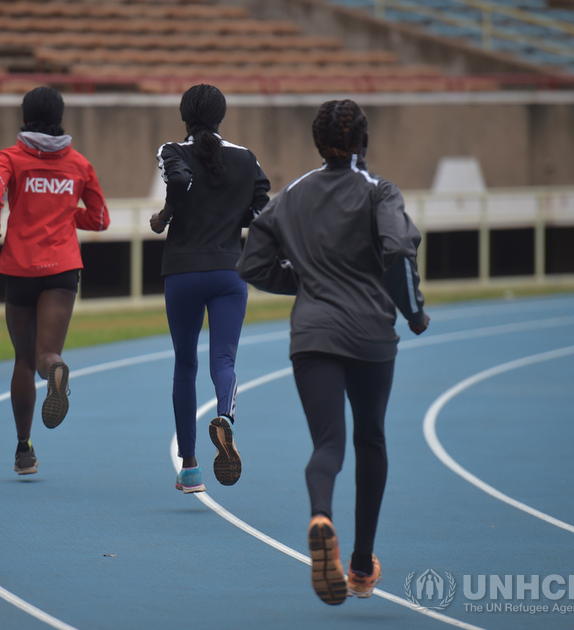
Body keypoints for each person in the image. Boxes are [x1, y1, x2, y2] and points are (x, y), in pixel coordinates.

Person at [237, 99, 429, 605]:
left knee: (328, 444)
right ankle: (362, 564)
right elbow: (398, 249)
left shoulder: (290, 195)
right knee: (372, 439)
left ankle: (321, 515)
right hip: (370, 335)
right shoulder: (379, 190)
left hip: (313, 335)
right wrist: (414, 312)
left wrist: (303, 281)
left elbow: (252, 265)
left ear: (317, 143)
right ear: (364, 141)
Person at [0, 86, 110, 476]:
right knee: (45, 355)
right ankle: (54, 366)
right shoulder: (79, 164)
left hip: (20, 268)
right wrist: (68, 214)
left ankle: (24, 450)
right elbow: (101, 219)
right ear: (60, 118)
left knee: (22, 359)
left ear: (25, 116)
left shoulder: (9, 158)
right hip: (63, 269)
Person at [150, 84, 271, 495]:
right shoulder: (245, 157)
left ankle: (190, 468)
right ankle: (225, 417)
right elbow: (260, 211)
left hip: (182, 272)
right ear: (221, 117)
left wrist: (165, 217)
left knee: (185, 364)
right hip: (228, 272)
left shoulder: (171, 150)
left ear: (184, 116)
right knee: (224, 360)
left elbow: (181, 182)